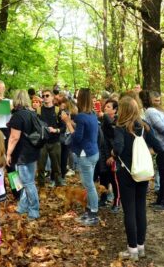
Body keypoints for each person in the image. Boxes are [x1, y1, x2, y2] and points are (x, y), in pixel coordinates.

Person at [111, 96, 159, 261]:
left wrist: (113, 153)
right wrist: (146, 153)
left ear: (122, 110)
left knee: (129, 211)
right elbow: (159, 146)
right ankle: (141, 247)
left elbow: (118, 148)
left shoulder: (120, 128)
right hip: (142, 173)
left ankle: (132, 250)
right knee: (140, 209)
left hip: (126, 174)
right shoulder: (145, 127)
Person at [6, 89, 41, 220]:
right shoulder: (31, 113)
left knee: (27, 182)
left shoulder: (17, 116)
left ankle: (34, 210)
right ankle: (22, 206)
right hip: (33, 151)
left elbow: (14, 137)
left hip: (22, 154)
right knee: (28, 181)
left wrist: (8, 153)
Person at [69, 88, 100, 226]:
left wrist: (68, 123)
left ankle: (93, 213)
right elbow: (85, 130)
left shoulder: (81, 116)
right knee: (89, 185)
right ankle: (89, 211)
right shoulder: (92, 114)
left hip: (86, 154)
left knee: (89, 185)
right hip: (93, 152)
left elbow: (77, 137)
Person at [36, 89, 65, 187]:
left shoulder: (58, 110)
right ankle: (41, 187)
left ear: (52, 97)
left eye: (47, 95)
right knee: (41, 167)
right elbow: (35, 126)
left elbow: (63, 128)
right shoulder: (39, 110)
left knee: (56, 166)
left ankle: (59, 186)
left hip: (55, 142)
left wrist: (55, 130)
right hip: (42, 142)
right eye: (43, 96)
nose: (45, 97)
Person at [101, 99, 121, 212]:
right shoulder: (103, 120)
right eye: (105, 106)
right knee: (103, 177)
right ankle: (103, 198)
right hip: (103, 153)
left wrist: (113, 156)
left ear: (115, 110)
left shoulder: (117, 122)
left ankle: (117, 202)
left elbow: (116, 139)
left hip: (113, 154)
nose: (105, 108)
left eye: (109, 107)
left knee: (114, 179)